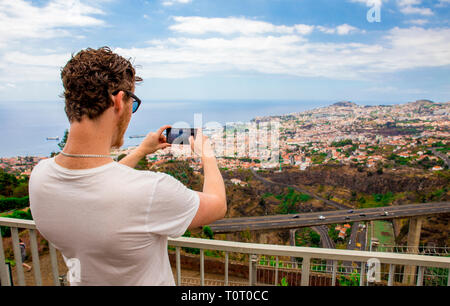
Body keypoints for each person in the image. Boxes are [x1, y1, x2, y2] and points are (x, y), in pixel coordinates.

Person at [29, 47, 227, 286]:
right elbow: (217, 206)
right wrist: (207, 155)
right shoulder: (151, 191)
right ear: (118, 101)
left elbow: (101, 184)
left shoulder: (40, 177)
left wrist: (141, 151)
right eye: (133, 103)